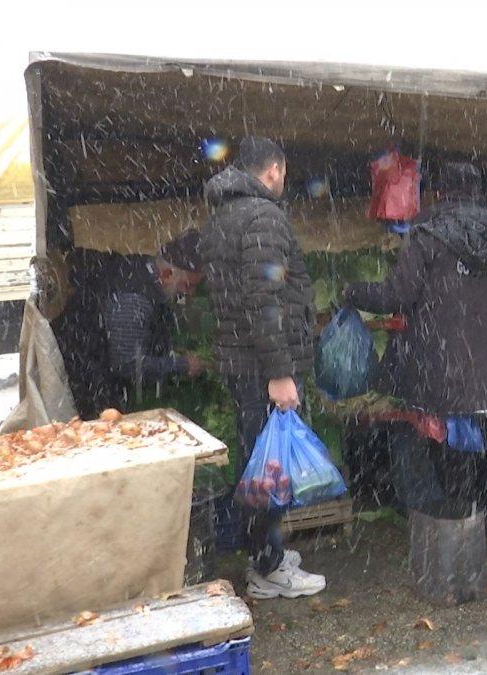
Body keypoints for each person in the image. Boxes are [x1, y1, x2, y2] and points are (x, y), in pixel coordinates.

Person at [343, 161, 487, 539]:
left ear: (439, 193)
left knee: (447, 453)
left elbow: (396, 295)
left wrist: (353, 292)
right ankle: (485, 522)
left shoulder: (427, 239)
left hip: (442, 373)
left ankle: (456, 529)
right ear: (477, 194)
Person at [199, 136, 321, 600]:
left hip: (241, 360)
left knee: (259, 459)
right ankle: (268, 567)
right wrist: (280, 372)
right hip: (261, 366)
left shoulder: (222, 216)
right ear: (274, 170)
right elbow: (263, 300)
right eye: (283, 173)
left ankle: (264, 555)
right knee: (270, 467)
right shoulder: (262, 216)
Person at [55, 230, 207, 419]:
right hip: (88, 381)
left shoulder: (142, 268)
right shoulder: (134, 299)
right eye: (187, 285)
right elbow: (126, 364)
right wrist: (181, 365)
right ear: (167, 274)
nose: (190, 293)